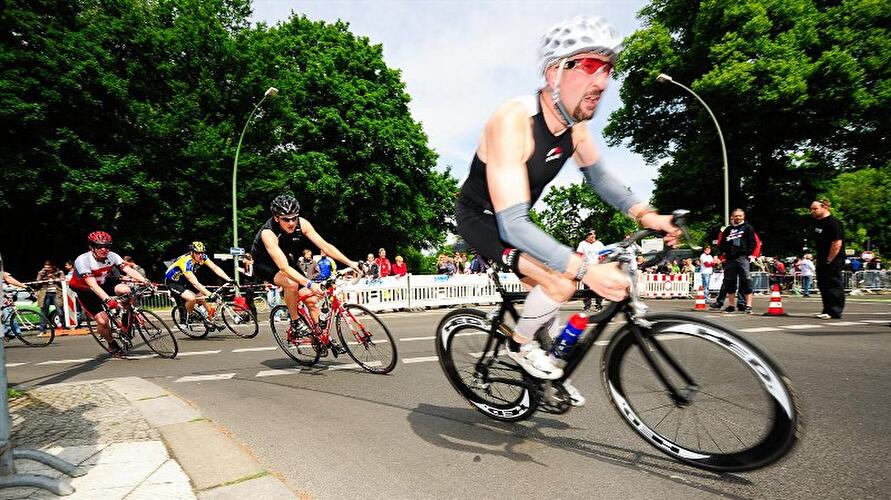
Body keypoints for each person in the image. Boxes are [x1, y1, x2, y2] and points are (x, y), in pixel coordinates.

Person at [454, 15, 679, 406]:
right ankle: (519, 346)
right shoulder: (512, 121)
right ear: (556, 72)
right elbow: (512, 223)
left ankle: (548, 371)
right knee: (561, 281)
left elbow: (600, 178)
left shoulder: (574, 127)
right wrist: (586, 270)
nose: (603, 82)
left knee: (555, 293)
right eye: (591, 66)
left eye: (608, 69)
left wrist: (647, 215)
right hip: (484, 220)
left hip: (515, 219)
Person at [250, 194, 360, 338]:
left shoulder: (302, 223)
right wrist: (310, 284)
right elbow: (283, 268)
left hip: (286, 260)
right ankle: (295, 323)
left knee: (312, 301)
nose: (291, 223)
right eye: (286, 219)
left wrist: (351, 263)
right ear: (276, 218)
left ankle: (322, 337)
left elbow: (325, 246)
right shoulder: (268, 233)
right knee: (291, 284)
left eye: (294, 218)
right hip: (265, 264)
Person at [68, 231, 151, 356]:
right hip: (86, 289)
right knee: (103, 321)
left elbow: (127, 269)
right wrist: (108, 300)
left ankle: (125, 321)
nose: (104, 249)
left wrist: (145, 281)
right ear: (91, 247)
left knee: (126, 290)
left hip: (103, 283)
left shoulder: (112, 256)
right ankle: (111, 343)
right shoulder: (83, 260)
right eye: (99, 246)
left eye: (107, 246)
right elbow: (92, 285)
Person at [165, 241, 233, 323]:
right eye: (197, 253)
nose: (200, 255)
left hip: (185, 279)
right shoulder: (185, 262)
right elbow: (195, 283)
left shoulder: (203, 257)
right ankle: (189, 316)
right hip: (173, 282)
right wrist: (210, 294)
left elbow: (215, 268)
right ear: (192, 252)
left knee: (201, 299)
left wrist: (229, 279)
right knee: (192, 298)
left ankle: (211, 321)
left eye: (201, 252)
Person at [810, 198, 845, 319]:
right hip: (821, 258)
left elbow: (837, 243)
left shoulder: (833, 223)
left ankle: (835, 311)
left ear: (825, 207)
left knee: (833, 285)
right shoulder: (818, 223)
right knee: (823, 285)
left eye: (815, 209)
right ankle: (827, 309)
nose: (812, 211)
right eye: (811, 209)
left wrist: (829, 260)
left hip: (833, 260)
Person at [717, 209, 757, 314]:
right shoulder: (728, 229)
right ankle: (731, 305)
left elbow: (753, 242)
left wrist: (748, 253)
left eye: (740, 216)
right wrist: (721, 255)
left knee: (746, 281)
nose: (738, 218)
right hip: (730, 259)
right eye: (736, 216)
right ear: (732, 217)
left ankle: (748, 305)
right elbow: (722, 244)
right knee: (729, 282)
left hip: (742, 258)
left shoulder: (748, 228)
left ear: (743, 217)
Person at [576, 230, 604, 311]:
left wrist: (601, 261)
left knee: (598, 287)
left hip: (597, 268)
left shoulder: (599, 244)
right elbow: (579, 254)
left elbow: (604, 255)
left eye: (594, 236)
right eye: (591, 236)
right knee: (586, 287)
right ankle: (587, 305)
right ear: (587, 236)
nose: (593, 237)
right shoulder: (583, 244)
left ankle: (598, 305)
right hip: (587, 268)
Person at [35, 260, 64, 330]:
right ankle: (42, 329)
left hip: (56, 294)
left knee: (60, 311)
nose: (47, 270)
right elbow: (36, 284)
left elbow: (63, 282)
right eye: (46, 268)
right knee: (44, 312)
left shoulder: (59, 272)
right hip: (45, 294)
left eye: (49, 268)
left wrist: (54, 277)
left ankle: (62, 327)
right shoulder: (41, 273)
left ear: (53, 267)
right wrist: (40, 277)